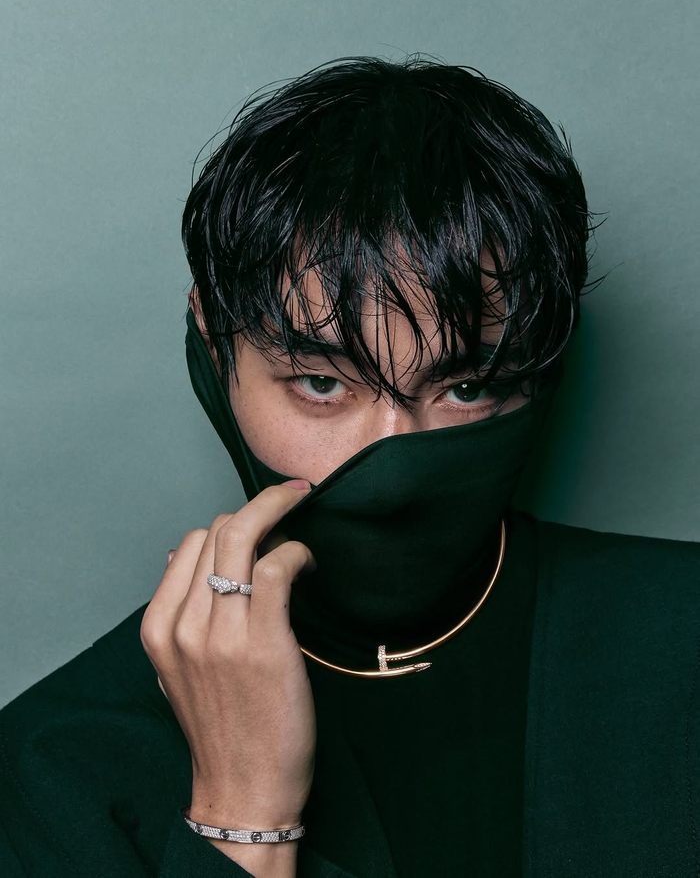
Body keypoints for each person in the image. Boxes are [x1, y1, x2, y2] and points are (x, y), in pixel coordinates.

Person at [1, 57, 698, 878]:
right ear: (213, 347)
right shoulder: (49, 771)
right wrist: (241, 816)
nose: (391, 466)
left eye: (466, 387)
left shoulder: (681, 636)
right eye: (322, 383)